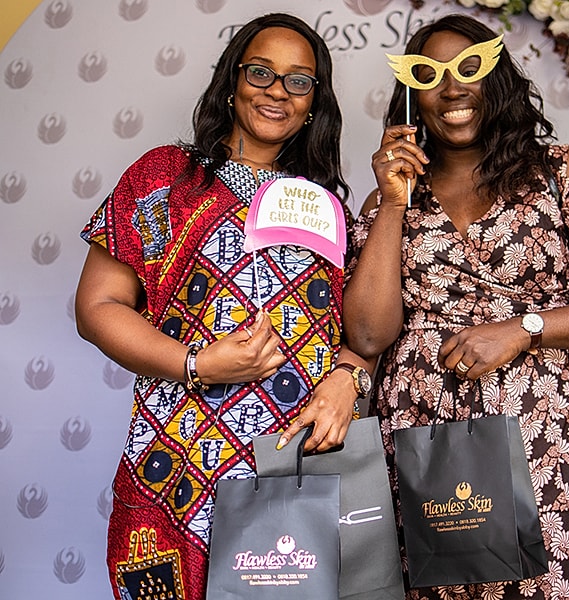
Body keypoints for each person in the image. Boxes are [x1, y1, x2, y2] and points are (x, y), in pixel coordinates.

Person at [343, 13, 569, 600]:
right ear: (411, 98)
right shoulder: (386, 199)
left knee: (553, 583)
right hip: (425, 436)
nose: (452, 88)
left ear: (498, 80)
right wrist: (392, 203)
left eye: (470, 68)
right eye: (431, 76)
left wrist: (525, 328)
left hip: (547, 433)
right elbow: (367, 334)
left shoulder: (559, 173)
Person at [75, 13, 373, 600]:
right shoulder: (165, 176)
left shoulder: (324, 206)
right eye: (260, 72)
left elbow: (361, 331)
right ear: (231, 83)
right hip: (176, 462)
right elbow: (98, 306)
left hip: (293, 464)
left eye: (298, 80)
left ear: (315, 103)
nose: (276, 91)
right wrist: (197, 364)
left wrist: (346, 379)